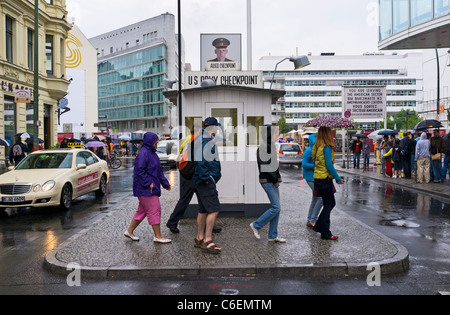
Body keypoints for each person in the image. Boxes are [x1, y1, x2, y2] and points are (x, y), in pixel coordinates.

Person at [124, 132, 172, 244]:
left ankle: (129, 231)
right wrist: (148, 183)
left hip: (148, 188)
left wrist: (166, 184)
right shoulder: (144, 153)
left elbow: (159, 171)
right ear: (151, 141)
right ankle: (158, 236)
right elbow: (139, 171)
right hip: (145, 189)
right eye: (156, 140)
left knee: (142, 211)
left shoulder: (151, 153)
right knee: (155, 209)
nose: (157, 142)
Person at [250, 125, 285, 243]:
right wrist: (276, 179)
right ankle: (256, 225)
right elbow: (266, 167)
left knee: (277, 208)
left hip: (272, 180)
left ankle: (272, 235)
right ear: (269, 134)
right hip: (268, 180)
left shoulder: (270, 146)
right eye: (276, 134)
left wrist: (278, 177)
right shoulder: (264, 147)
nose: (277, 136)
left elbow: (274, 165)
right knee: (276, 207)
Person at [193, 117, 222, 254]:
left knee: (203, 210)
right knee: (214, 209)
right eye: (216, 127)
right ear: (212, 127)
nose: (217, 129)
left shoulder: (202, 138)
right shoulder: (205, 140)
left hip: (201, 181)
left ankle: (199, 238)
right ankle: (207, 240)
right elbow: (201, 161)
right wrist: (207, 178)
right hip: (204, 181)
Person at [312, 127, 344, 241]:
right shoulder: (326, 147)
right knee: (328, 205)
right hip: (325, 178)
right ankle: (325, 233)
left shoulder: (316, 146)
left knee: (329, 204)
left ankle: (319, 226)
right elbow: (329, 165)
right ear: (327, 134)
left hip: (318, 178)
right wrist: (338, 178)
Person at [302, 133, 323, 228]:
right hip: (310, 177)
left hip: (315, 177)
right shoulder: (308, 151)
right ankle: (313, 219)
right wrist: (316, 166)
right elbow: (304, 164)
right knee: (320, 198)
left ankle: (309, 219)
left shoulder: (317, 150)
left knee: (315, 199)